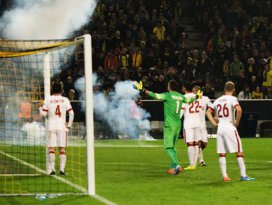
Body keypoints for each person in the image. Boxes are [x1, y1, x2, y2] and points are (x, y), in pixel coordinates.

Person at [133, 80, 201, 175]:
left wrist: (143, 90)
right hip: (178, 125)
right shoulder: (181, 96)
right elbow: (189, 101)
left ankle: (177, 165)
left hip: (169, 125)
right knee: (173, 147)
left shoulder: (168, 95)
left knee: (168, 147)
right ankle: (172, 167)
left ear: (169, 87)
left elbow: (155, 95)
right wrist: (197, 97)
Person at [206, 81, 255, 182]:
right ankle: (243, 175)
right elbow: (239, 110)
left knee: (222, 153)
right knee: (239, 151)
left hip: (220, 128)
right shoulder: (233, 99)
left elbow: (208, 112)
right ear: (233, 90)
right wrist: (236, 122)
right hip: (229, 127)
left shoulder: (218, 100)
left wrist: (214, 123)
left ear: (224, 89)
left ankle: (225, 176)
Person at [39, 82, 74, 175]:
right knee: (62, 149)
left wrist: (39, 107)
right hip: (62, 126)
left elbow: (44, 114)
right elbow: (71, 113)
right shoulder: (65, 99)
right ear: (61, 89)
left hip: (51, 125)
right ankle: (62, 170)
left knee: (51, 148)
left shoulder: (48, 99)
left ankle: (52, 170)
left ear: (52, 89)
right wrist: (69, 125)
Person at [193, 85, 212, 166]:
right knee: (199, 143)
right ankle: (201, 160)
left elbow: (211, 106)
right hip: (194, 124)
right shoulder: (192, 99)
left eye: (194, 91)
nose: (193, 92)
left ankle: (197, 152)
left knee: (204, 143)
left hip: (202, 124)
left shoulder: (205, 98)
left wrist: (212, 111)